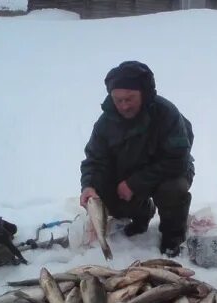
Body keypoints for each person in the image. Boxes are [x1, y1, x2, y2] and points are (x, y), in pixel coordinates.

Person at [80, 61, 195, 257]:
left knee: (172, 189)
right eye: (118, 100)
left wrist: (135, 183)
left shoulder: (167, 114)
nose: (124, 106)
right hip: (128, 172)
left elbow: (177, 160)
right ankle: (142, 213)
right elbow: (95, 159)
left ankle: (173, 237)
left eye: (130, 99)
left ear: (144, 93)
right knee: (100, 189)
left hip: (169, 172)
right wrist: (89, 185)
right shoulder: (105, 123)